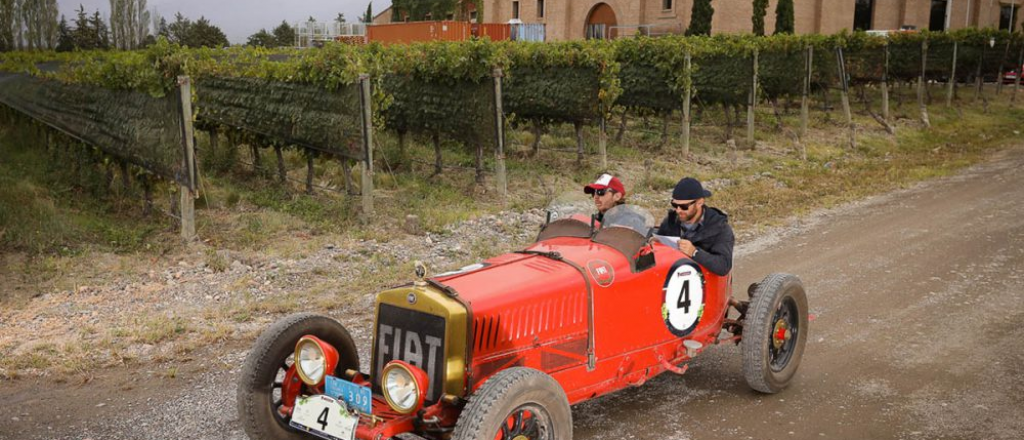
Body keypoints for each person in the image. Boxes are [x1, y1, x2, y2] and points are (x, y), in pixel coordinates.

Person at [656, 177, 734, 276]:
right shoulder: (671, 221)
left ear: (699, 203)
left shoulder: (720, 228)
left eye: (684, 206)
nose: (678, 210)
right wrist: (654, 243)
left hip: (705, 286)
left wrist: (694, 252)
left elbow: (724, 266)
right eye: (675, 205)